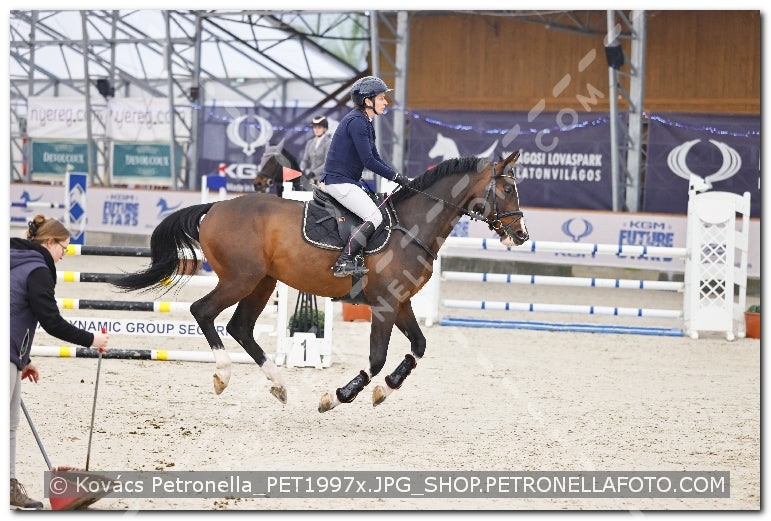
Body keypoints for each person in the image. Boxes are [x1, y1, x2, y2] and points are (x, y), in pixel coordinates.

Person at [10, 215, 110, 510]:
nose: (63, 255)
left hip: (11, 353)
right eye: (63, 248)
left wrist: (22, 359)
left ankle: (8, 484)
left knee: (10, 425)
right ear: (50, 242)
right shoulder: (37, 270)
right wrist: (92, 339)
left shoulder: (13, 261)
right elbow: (51, 321)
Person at [319, 76, 410, 277]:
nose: (385, 102)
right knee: (375, 217)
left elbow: (376, 158)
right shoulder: (357, 122)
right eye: (381, 98)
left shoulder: (365, 122)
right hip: (339, 183)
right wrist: (397, 178)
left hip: (347, 181)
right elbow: (369, 162)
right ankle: (344, 261)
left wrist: (398, 176)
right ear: (368, 101)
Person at [299, 115, 332, 184]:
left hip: (323, 179)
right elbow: (305, 160)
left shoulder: (328, 142)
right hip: (310, 178)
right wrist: (301, 169)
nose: (316, 130)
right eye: (315, 127)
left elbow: (327, 164)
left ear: (325, 129)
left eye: (319, 127)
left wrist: (313, 173)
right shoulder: (310, 142)